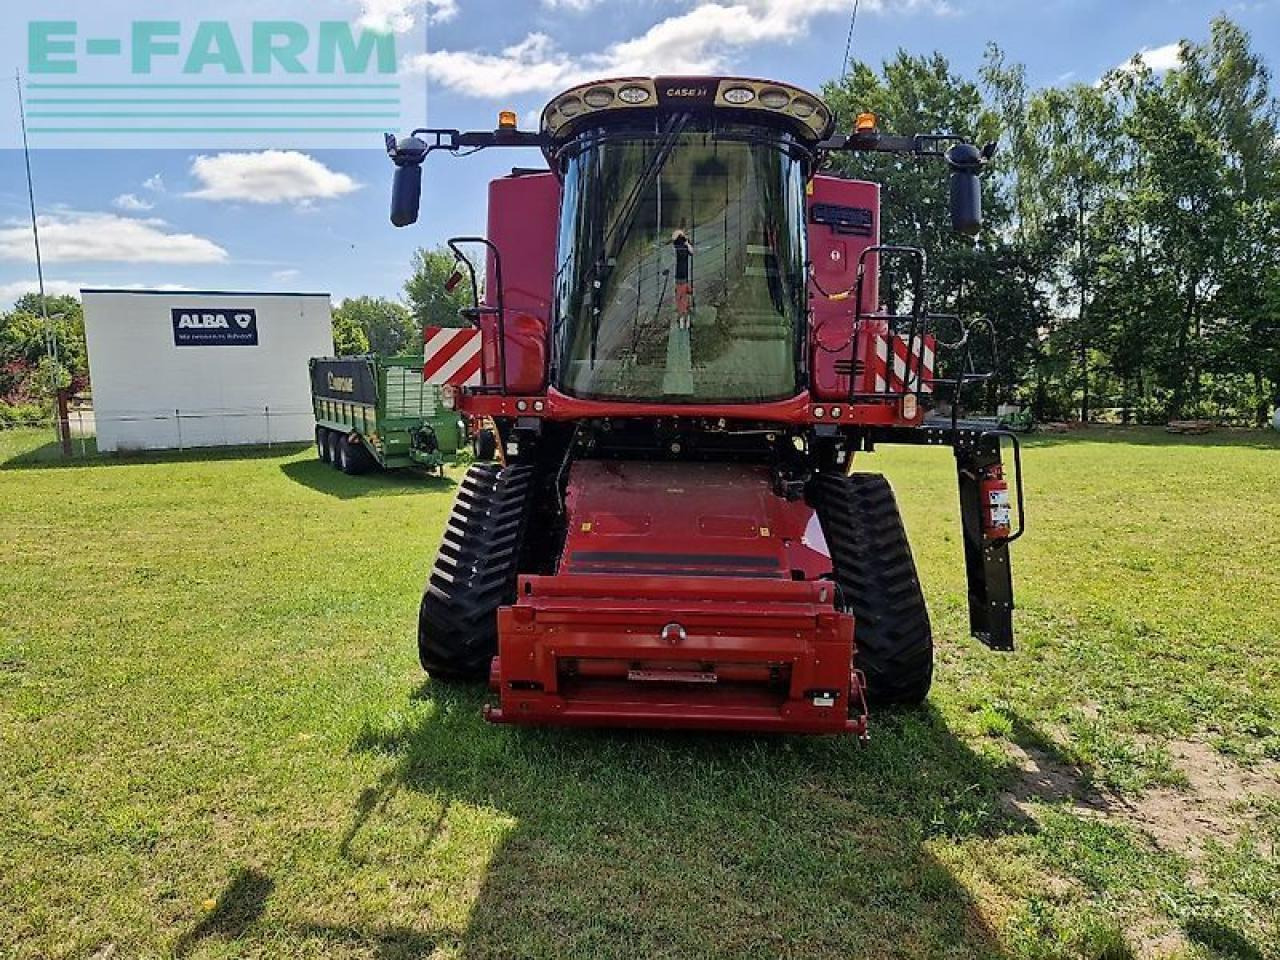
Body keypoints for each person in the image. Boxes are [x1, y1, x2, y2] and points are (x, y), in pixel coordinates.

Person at [671, 228, 694, 330]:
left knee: (683, 297)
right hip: (680, 276)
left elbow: (692, 251)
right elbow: (674, 237)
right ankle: (683, 318)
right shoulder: (678, 246)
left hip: (683, 276)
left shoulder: (685, 246)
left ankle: (685, 318)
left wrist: (686, 242)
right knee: (681, 298)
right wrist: (682, 236)